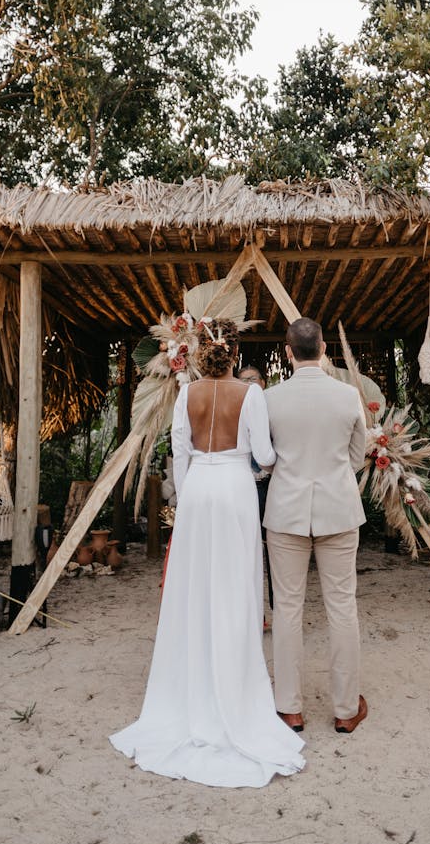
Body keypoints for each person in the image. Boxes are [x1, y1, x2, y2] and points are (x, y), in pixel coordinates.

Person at [110, 319, 305, 787]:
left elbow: (180, 450)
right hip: (236, 487)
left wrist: (187, 489)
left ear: (199, 353)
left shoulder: (186, 395)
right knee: (236, 586)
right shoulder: (251, 394)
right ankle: (234, 687)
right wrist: (264, 461)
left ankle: (190, 683)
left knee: (194, 585)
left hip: (198, 489)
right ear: (234, 353)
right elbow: (265, 454)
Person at [264, 318, 368, 735]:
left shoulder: (270, 399)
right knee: (342, 607)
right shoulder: (347, 396)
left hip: (286, 511)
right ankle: (345, 709)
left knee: (287, 608)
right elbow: (358, 457)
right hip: (338, 511)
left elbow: (265, 459)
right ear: (324, 349)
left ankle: (290, 708)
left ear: (288, 351)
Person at [238, 364, 274, 624]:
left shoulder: (275, 408)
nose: (248, 384)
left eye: (252, 379)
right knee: (244, 552)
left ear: (263, 383)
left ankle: (278, 608)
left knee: (274, 550)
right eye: (243, 381)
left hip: (271, 486)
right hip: (243, 486)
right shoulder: (234, 410)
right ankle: (253, 615)